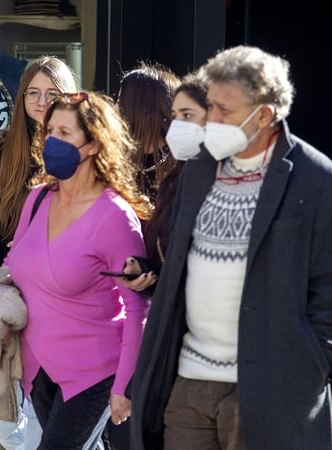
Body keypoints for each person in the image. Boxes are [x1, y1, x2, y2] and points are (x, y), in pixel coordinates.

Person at [128, 45, 332, 450]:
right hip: (189, 380)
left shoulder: (316, 179)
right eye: (211, 106)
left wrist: (310, 364)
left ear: (264, 115)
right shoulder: (202, 166)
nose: (213, 119)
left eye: (225, 110)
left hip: (269, 389)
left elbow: (327, 290)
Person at [5, 92, 152, 449]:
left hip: (93, 373)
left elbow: (137, 307)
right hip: (38, 369)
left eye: (65, 133)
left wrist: (124, 386)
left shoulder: (115, 217)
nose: (52, 140)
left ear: (93, 144)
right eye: (50, 130)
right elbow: (15, 268)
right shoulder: (37, 199)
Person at [0, 56, 78, 449]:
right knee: (2, 402)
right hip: (12, 296)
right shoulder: (4, 154)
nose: (40, 102)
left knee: (56, 401)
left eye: (51, 94)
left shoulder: (85, 155)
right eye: (32, 93)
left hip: (64, 299)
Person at [122, 74, 209, 292]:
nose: (114, 108)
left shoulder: (190, 174)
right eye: (175, 115)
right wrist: (144, 272)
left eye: (186, 115)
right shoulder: (121, 165)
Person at [115, 62, 180, 200]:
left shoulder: (179, 169)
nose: (114, 109)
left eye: (120, 102)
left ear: (142, 109)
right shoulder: (115, 161)